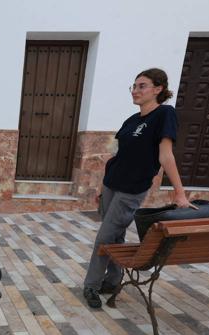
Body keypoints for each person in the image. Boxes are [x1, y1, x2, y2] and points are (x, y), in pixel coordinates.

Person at [83, 68, 195, 309]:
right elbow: (117, 158)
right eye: (133, 86)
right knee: (115, 235)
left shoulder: (165, 114)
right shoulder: (131, 120)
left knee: (104, 236)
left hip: (132, 189)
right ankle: (113, 281)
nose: (135, 91)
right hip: (112, 184)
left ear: (158, 89)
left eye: (142, 86)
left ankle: (91, 285)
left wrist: (179, 193)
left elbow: (166, 157)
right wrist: (102, 188)